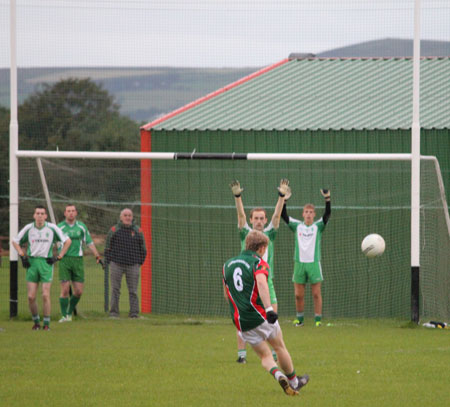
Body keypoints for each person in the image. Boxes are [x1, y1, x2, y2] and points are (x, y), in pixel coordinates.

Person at [223, 230, 309, 396]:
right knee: (279, 346)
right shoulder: (259, 263)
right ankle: (294, 381)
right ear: (261, 248)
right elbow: (262, 283)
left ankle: (278, 375)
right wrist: (269, 310)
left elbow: (227, 295)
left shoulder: (227, 265)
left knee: (264, 356)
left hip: (242, 322)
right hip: (261, 316)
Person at [229, 178, 290, 363]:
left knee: (272, 317)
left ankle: (273, 353)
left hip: (266, 281)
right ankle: (242, 355)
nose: (259, 221)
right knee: (243, 318)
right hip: (248, 282)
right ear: (251, 220)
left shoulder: (269, 234)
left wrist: (282, 197)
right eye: (255, 218)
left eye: (262, 218)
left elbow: (277, 217)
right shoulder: (245, 233)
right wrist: (238, 197)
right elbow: (240, 217)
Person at [12, 205, 71, 330]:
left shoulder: (52, 228)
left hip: (46, 263)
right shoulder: (29, 228)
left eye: (42, 213)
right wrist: (22, 256)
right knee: (31, 296)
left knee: (45, 294)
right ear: (34, 215)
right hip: (32, 263)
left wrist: (59, 257)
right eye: (37, 213)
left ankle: (47, 324)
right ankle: (36, 322)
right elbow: (15, 241)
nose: (39, 216)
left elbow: (68, 241)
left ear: (45, 216)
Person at [281, 189, 331, 327]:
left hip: (314, 263)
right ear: (303, 214)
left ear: (314, 214)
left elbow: (327, 214)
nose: (308, 214)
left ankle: (318, 321)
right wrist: (284, 200)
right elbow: (283, 215)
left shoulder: (318, 226)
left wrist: (327, 199)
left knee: (316, 293)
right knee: (298, 295)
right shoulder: (297, 226)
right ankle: (300, 320)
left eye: (311, 212)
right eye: (306, 212)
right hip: (299, 263)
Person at [57, 204, 102, 323]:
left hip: (78, 260)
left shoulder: (81, 227)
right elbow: (53, 242)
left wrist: (97, 255)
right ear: (65, 213)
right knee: (65, 290)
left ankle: (69, 313)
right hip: (65, 260)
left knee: (78, 292)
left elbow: (89, 242)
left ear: (76, 213)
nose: (71, 213)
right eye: (68, 211)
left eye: (73, 211)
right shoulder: (60, 227)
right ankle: (64, 316)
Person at [105, 208, 147, 318]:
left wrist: (139, 262)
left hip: (133, 265)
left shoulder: (138, 231)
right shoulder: (114, 230)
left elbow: (143, 249)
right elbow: (108, 247)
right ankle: (114, 313)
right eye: (125, 215)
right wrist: (110, 260)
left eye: (129, 215)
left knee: (133, 290)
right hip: (116, 264)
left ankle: (134, 313)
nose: (128, 217)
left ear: (132, 217)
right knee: (115, 289)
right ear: (121, 217)